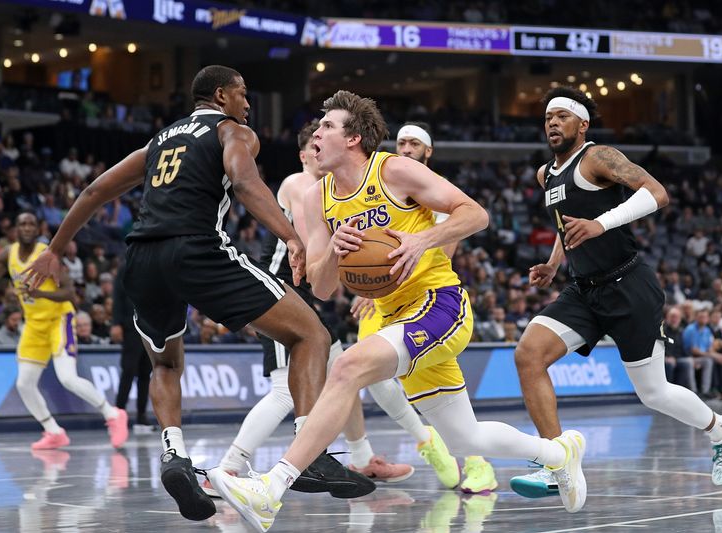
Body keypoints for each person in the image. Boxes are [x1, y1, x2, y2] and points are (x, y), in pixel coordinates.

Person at [209, 90, 587, 532]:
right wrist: (333, 249)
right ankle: (561, 453)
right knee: (466, 437)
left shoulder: (394, 170)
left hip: (439, 303)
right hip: (392, 316)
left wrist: (422, 240)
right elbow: (324, 287)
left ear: (353, 139)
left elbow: (476, 214)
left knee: (346, 366)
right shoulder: (315, 200)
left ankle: (271, 488)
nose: (317, 132)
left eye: (328, 125)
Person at [21, 66, 370, 523]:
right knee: (312, 336)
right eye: (244, 94)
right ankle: (313, 455)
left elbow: (96, 189)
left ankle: (174, 454)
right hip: (196, 250)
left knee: (165, 363)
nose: (249, 104)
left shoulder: (159, 141)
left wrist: (54, 249)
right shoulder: (233, 130)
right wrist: (291, 236)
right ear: (222, 95)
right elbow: (245, 183)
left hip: (141, 260)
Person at [509, 86, 722, 500]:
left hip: (628, 284)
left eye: (562, 116)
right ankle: (557, 459)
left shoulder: (599, 157)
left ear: (582, 124)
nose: (553, 124)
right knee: (528, 353)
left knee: (653, 393)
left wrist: (601, 224)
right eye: (547, 118)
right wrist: (553, 263)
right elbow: (567, 225)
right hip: (584, 291)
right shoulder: (546, 174)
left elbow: (657, 193)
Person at [202, 121, 411, 499]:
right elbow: (320, 240)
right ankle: (230, 465)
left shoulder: (332, 192)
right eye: (313, 146)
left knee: (341, 374)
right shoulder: (301, 185)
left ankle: (362, 457)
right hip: (279, 293)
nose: (319, 150)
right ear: (304, 155)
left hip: (307, 297)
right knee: (284, 390)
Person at [352, 121, 498, 494]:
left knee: (445, 391)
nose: (406, 148)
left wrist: (382, 276)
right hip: (384, 300)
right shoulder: (383, 189)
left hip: (427, 298)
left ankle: (477, 461)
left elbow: (440, 254)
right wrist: (366, 283)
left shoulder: (440, 197)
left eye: (414, 143)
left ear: (428, 151)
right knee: (367, 372)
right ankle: (426, 440)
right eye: (401, 142)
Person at [0, 212, 128, 451]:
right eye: (22, 223)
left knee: (67, 378)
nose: (27, 227)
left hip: (59, 319)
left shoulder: (47, 252)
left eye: (32, 223)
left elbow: (70, 293)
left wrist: (39, 293)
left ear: (38, 228)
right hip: (33, 323)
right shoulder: (8, 254)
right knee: (24, 383)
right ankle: (53, 431)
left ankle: (113, 414)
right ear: (15, 229)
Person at [112, 260, 154, 431]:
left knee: (146, 372)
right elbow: (117, 295)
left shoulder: (155, 265)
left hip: (151, 326)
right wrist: (116, 323)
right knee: (128, 370)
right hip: (130, 327)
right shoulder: (127, 265)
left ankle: (141, 415)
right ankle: (119, 414)